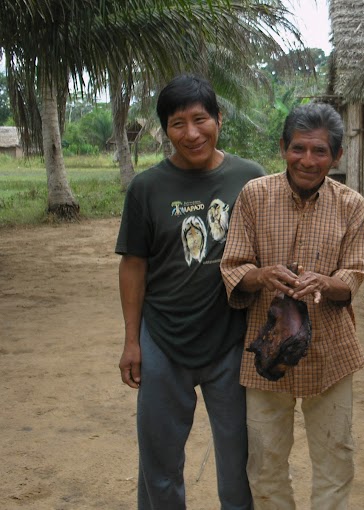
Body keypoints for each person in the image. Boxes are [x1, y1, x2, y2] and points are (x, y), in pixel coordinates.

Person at [116, 74, 265, 510]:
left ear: (219, 119)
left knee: (240, 463)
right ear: (165, 130)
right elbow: (133, 264)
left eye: (201, 119)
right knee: (159, 463)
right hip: (162, 339)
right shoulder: (146, 188)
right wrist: (131, 340)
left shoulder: (249, 178)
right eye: (177, 123)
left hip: (232, 341)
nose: (192, 133)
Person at [220, 102, 364, 509]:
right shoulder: (255, 195)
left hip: (330, 354)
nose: (308, 160)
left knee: (335, 461)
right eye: (299, 148)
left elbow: (353, 276)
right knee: (266, 465)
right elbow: (233, 266)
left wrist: (328, 282)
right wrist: (262, 275)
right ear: (283, 148)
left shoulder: (352, 205)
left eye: (320, 151)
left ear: (336, 156)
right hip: (265, 353)